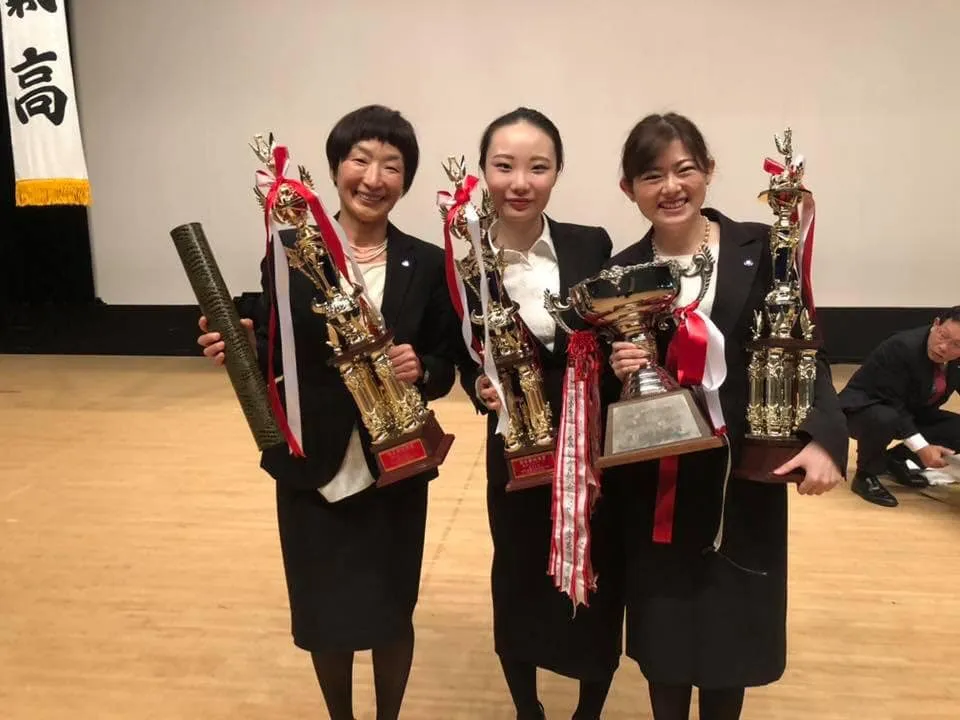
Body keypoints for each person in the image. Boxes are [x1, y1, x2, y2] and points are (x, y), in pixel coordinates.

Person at [197, 105, 457, 720]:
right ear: (336, 168)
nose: (373, 178)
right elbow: (275, 344)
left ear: (406, 180)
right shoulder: (290, 251)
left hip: (395, 466)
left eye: (391, 166)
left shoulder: (426, 262)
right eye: (360, 160)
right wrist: (238, 345)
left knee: (392, 610)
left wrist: (423, 369)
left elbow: (446, 362)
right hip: (311, 461)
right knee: (323, 613)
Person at [604, 112, 847, 720]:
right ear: (629, 188)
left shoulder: (761, 247)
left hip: (746, 471)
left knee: (730, 632)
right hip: (660, 480)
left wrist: (824, 436)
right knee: (665, 633)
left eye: (685, 169)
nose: (671, 187)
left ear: (709, 172)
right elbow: (606, 390)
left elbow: (805, 346)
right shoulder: (620, 273)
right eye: (652, 175)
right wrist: (619, 366)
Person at [456, 107, 622, 720]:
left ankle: (588, 710)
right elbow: (461, 353)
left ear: (557, 173)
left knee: (600, 568)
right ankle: (527, 708)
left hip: (591, 445)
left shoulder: (591, 244)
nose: (520, 182)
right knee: (518, 570)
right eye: (504, 166)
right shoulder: (465, 260)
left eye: (538, 167)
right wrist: (478, 384)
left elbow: (613, 330)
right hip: (515, 449)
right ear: (483, 172)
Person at [838, 307, 960, 507]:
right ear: (936, 324)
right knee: (885, 417)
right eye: (943, 335)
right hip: (865, 408)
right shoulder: (901, 347)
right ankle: (865, 475)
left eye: (957, 344)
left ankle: (895, 461)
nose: (944, 347)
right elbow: (893, 402)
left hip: (911, 411)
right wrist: (922, 448)